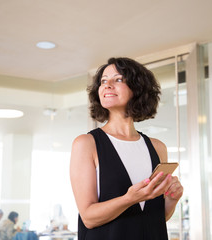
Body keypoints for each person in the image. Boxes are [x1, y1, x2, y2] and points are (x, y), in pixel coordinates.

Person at [70, 57, 183, 240]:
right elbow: (89, 218)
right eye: (103, 81)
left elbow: (155, 218)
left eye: (118, 79)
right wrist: (129, 199)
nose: (107, 85)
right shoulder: (87, 144)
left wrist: (172, 200)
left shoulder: (157, 147)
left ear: (137, 89)